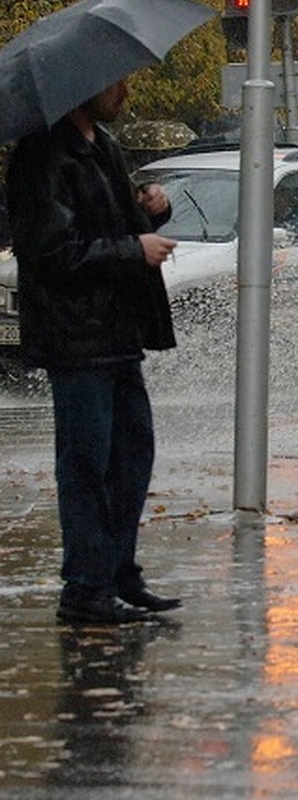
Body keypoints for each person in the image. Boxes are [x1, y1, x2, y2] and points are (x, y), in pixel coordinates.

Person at [5, 78, 182, 625]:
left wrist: (151, 210)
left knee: (132, 456)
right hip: (76, 336)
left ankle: (117, 573)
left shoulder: (101, 143)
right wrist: (135, 249)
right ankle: (85, 588)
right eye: (116, 83)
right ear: (82, 85)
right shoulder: (44, 154)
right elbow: (52, 252)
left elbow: (110, 223)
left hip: (117, 333)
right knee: (87, 464)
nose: (125, 91)